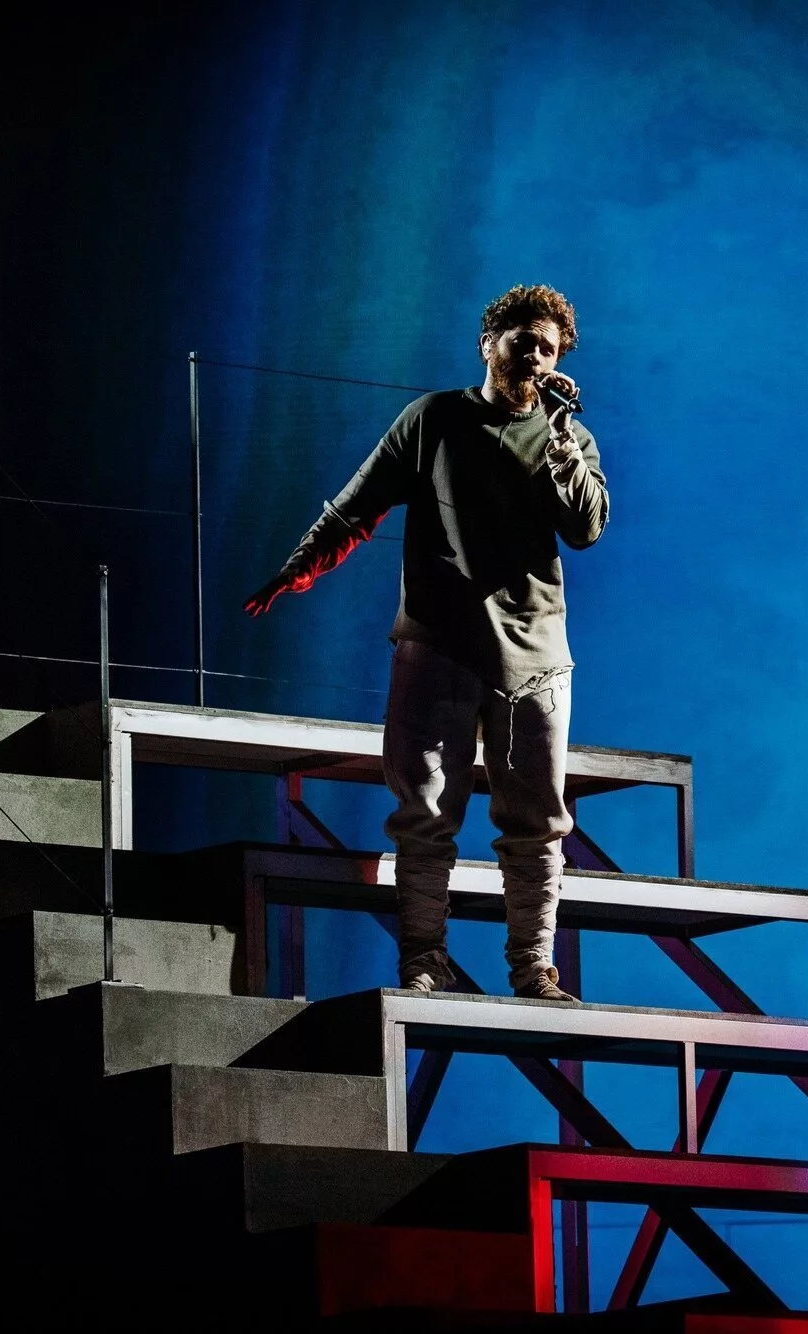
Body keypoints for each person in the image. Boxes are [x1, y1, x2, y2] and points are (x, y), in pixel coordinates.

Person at [244, 284, 609, 1002]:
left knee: (536, 826)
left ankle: (534, 970)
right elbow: (357, 505)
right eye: (523, 340)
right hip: (438, 647)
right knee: (425, 815)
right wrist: (299, 567)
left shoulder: (568, 437)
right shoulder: (433, 419)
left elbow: (586, 526)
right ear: (488, 343)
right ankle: (423, 960)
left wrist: (564, 441)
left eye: (548, 348)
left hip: (536, 659)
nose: (536, 356)